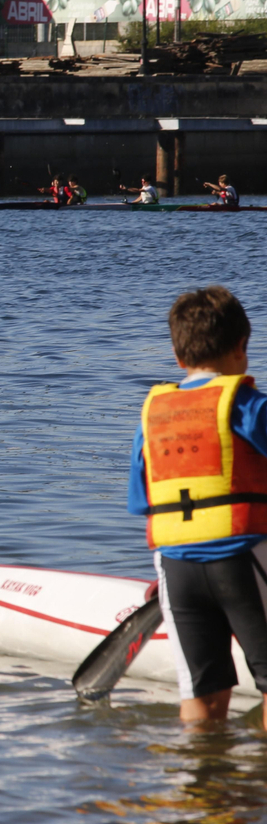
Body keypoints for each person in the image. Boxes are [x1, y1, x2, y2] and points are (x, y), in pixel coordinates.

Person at [129, 286, 267, 728]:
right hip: (244, 561)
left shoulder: (154, 416)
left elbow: (141, 501)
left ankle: (202, 786)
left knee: (202, 699)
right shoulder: (248, 406)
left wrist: (166, 579)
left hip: (176, 570)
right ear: (242, 347)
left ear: (177, 355)